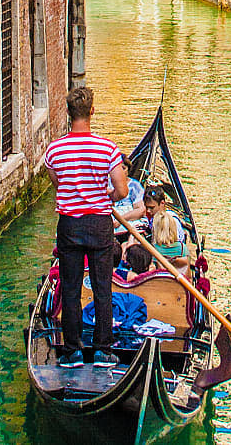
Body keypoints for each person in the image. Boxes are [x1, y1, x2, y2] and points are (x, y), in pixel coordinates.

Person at [44, 87, 129, 369]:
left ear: (69, 114)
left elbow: (58, 184)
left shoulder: (54, 149)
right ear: (92, 111)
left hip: (69, 225)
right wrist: (107, 197)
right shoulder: (107, 149)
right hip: (99, 224)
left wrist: (75, 193)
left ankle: (72, 352)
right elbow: (122, 189)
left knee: (70, 288)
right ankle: (103, 351)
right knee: (103, 287)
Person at [111, 154, 146, 234]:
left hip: (128, 221)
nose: (120, 172)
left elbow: (141, 210)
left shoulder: (135, 186)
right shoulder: (106, 184)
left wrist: (121, 220)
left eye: (123, 168)